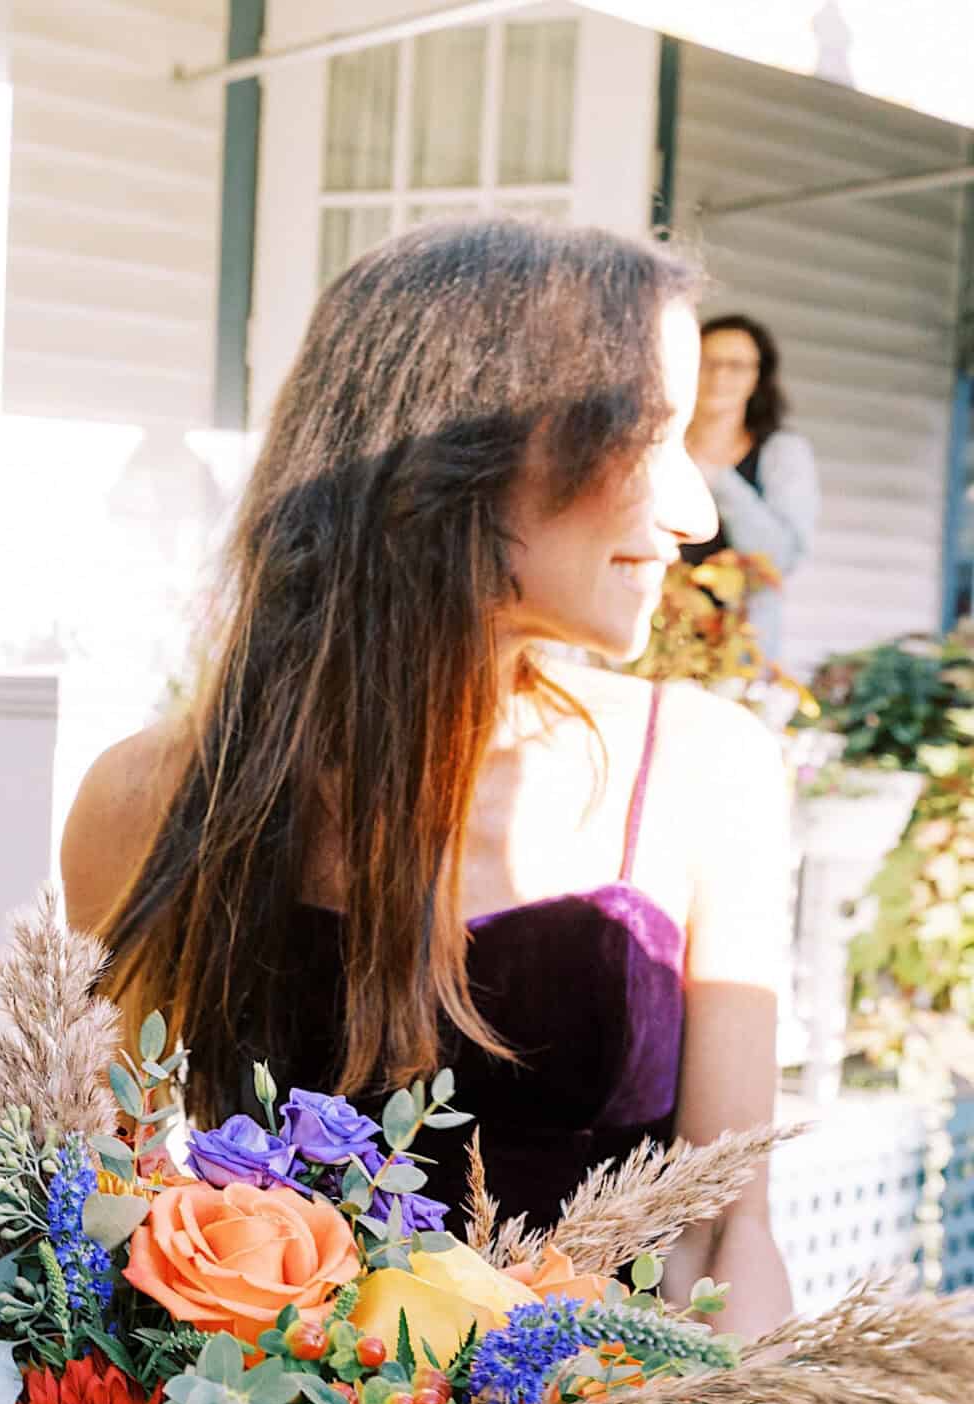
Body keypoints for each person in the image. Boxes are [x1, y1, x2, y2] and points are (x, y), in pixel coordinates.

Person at [62, 218, 795, 1337]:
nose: (691, 514)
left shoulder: (704, 771)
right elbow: (84, 1204)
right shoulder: (156, 799)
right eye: (648, 436)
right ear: (465, 450)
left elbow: (726, 1233)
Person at [683, 312, 819, 658]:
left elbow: (780, 556)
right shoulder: (654, 444)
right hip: (656, 641)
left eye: (737, 365)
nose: (719, 376)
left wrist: (714, 474)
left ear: (759, 377)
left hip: (738, 653)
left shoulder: (782, 453)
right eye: (707, 362)